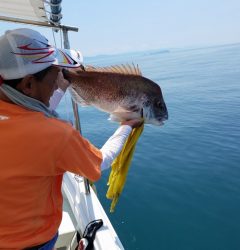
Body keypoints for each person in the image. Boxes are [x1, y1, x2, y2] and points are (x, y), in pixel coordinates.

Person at [0, 28, 142, 249]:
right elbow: (100, 161)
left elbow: (29, 114)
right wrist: (127, 126)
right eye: (54, 76)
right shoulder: (55, 135)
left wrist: (62, 88)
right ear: (28, 84)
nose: (58, 83)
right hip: (31, 242)